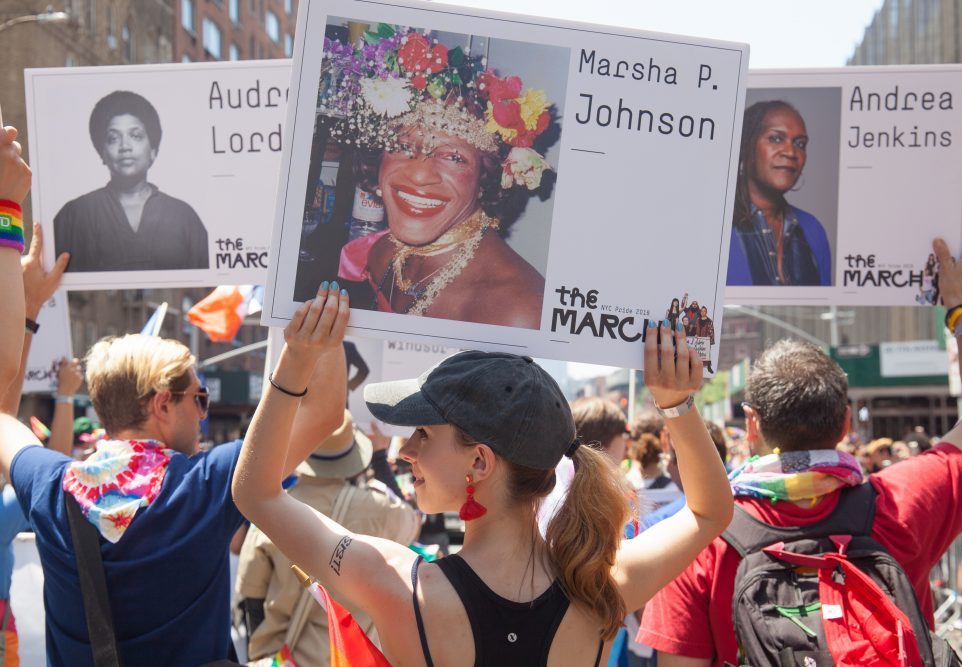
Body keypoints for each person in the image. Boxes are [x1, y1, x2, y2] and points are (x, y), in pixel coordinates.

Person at [233, 297, 733, 666]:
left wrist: (296, 363)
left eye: (424, 433)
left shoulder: (397, 584)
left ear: (479, 464)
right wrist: (676, 404)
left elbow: (256, 493)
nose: (405, 450)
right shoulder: (602, 589)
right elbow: (709, 512)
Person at [0, 155, 346, 667]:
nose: (203, 415)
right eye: (198, 399)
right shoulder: (209, 483)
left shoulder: (51, 484)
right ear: (163, 403)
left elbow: (1, 416)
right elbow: (323, 411)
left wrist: (25, 300)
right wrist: (324, 280)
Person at [639, 239, 962, 667]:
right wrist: (960, 307)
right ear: (846, 422)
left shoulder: (698, 538)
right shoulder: (904, 502)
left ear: (751, 425)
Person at [327, 25, 555, 329]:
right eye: (402, 146)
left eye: (453, 157)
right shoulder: (381, 252)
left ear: (486, 177)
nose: (419, 174)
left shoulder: (518, 312)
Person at [237, 411, 419, 665]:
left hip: (285, 658)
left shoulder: (269, 512)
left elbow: (251, 598)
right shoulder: (382, 509)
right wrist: (379, 457)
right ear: (354, 453)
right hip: (351, 657)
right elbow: (414, 521)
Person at [53, 90, 209, 272]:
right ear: (102, 153)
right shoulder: (74, 215)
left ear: (153, 150)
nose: (125, 147)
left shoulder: (184, 217)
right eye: (113, 138)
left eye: (135, 136)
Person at [726, 100, 832, 287]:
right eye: (775, 138)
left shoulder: (812, 230)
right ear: (744, 146)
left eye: (800, 143)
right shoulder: (714, 227)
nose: (791, 152)